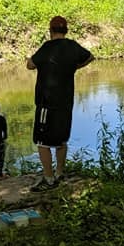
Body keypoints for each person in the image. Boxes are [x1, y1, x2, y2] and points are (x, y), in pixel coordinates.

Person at [27, 15, 94, 191]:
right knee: (61, 139)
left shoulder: (47, 47)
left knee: (42, 141)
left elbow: (30, 65)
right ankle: (60, 172)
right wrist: (75, 67)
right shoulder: (73, 46)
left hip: (46, 103)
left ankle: (48, 178)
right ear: (66, 31)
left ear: (50, 31)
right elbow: (90, 57)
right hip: (66, 102)